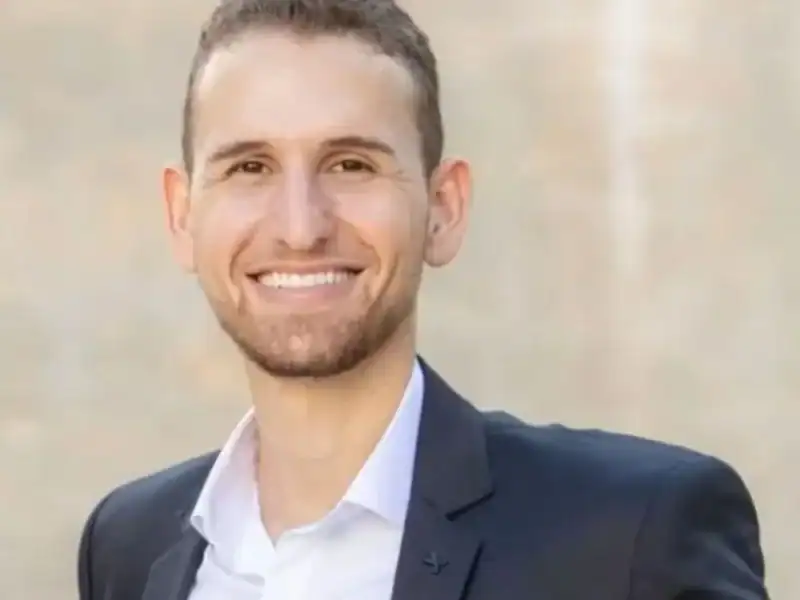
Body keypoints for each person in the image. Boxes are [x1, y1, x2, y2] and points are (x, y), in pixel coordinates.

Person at [76, 0, 769, 598]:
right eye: (250, 167)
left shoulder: (634, 534)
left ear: (444, 208)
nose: (300, 227)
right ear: (182, 216)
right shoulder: (128, 545)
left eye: (351, 164)